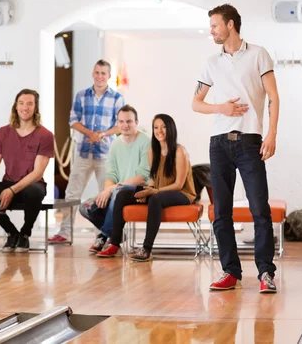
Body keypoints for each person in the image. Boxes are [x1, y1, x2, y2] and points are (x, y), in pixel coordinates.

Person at [193, 4, 279, 294]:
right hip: (219, 143)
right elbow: (196, 103)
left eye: (215, 25)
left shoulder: (258, 54)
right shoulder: (211, 62)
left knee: (259, 209)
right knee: (221, 212)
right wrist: (222, 107)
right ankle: (230, 271)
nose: (212, 30)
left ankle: (266, 272)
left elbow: (274, 97)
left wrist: (271, 134)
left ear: (230, 25)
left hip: (250, 140)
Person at [49, 60, 125, 244]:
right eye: (97, 72)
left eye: (103, 73)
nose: (100, 76)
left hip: (106, 154)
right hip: (82, 153)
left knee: (105, 194)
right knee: (72, 194)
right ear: (93, 73)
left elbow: (120, 125)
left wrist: (102, 134)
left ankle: (106, 234)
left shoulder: (117, 98)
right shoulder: (81, 95)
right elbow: (73, 120)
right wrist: (90, 134)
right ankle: (64, 232)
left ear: (109, 76)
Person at [106, 114, 196, 262]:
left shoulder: (180, 151)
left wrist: (154, 192)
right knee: (123, 194)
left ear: (171, 129)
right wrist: (147, 191)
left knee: (155, 198)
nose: (159, 131)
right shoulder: (152, 151)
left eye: (163, 127)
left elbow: (179, 184)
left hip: (182, 193)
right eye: (156, 127)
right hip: (158, 191)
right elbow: (154, 179)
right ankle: (115, 243)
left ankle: (146, 249)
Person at [0, 89, 54, 252]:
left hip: (32, 184)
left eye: (29, 104)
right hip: (9, 182)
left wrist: (12, 190)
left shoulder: (45, 135)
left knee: (34, 191)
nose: (25, 107)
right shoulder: (3, 132)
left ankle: (25, 234)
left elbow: (37, 173)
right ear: (15, 106)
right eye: (21, 103)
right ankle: (12, 233)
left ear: (35, 108)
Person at [80, 105, 150, 257]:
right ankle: (114, 232)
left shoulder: (145, 141)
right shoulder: (115, 143)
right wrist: (106, 190)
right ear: (117, 124)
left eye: (129, 121)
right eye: (121, 122)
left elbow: (142, 176)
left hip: (140, 189)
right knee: (84, 207)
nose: (125, 125)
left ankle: (106, 237)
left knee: (117, 191)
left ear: (136, 122)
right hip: (119, 189)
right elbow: (111, 175)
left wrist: (112, 190)